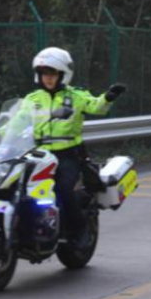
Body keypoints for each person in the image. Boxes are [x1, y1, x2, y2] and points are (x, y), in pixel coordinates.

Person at [26, 47, 124, 247]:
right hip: (37, 155)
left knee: (63, 189)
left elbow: (95, 106)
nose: (48, 78)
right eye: (45, 73)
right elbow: (15, 122)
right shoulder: (32, 99)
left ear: (62, 74)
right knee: (17, 185)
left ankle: (80, 231)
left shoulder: (76, 96)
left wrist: (108, 97)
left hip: (67, 155)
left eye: (53, 73)